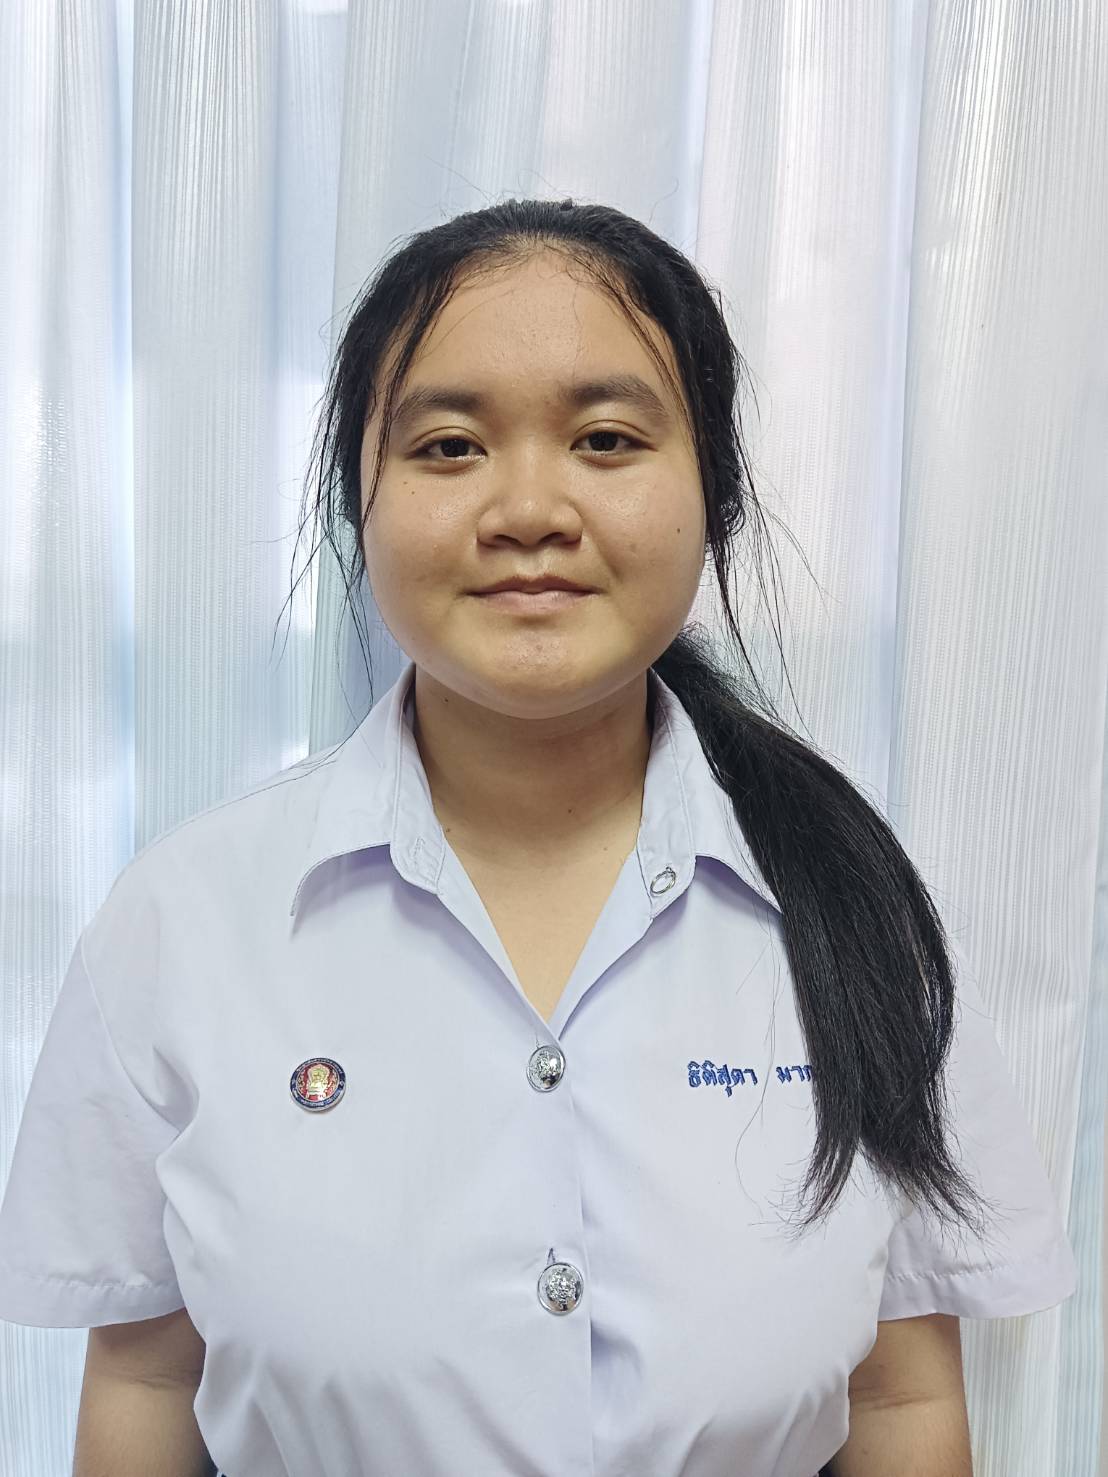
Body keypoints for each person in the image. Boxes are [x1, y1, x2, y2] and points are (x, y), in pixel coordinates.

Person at [0, 198, 1077, 1476]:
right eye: (448, 446)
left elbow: (899, 1399)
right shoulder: (183, 922)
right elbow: (148, 1377)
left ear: (715, 494)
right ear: (358, 501)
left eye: (605, 438)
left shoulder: (858, 918)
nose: (527, 508)